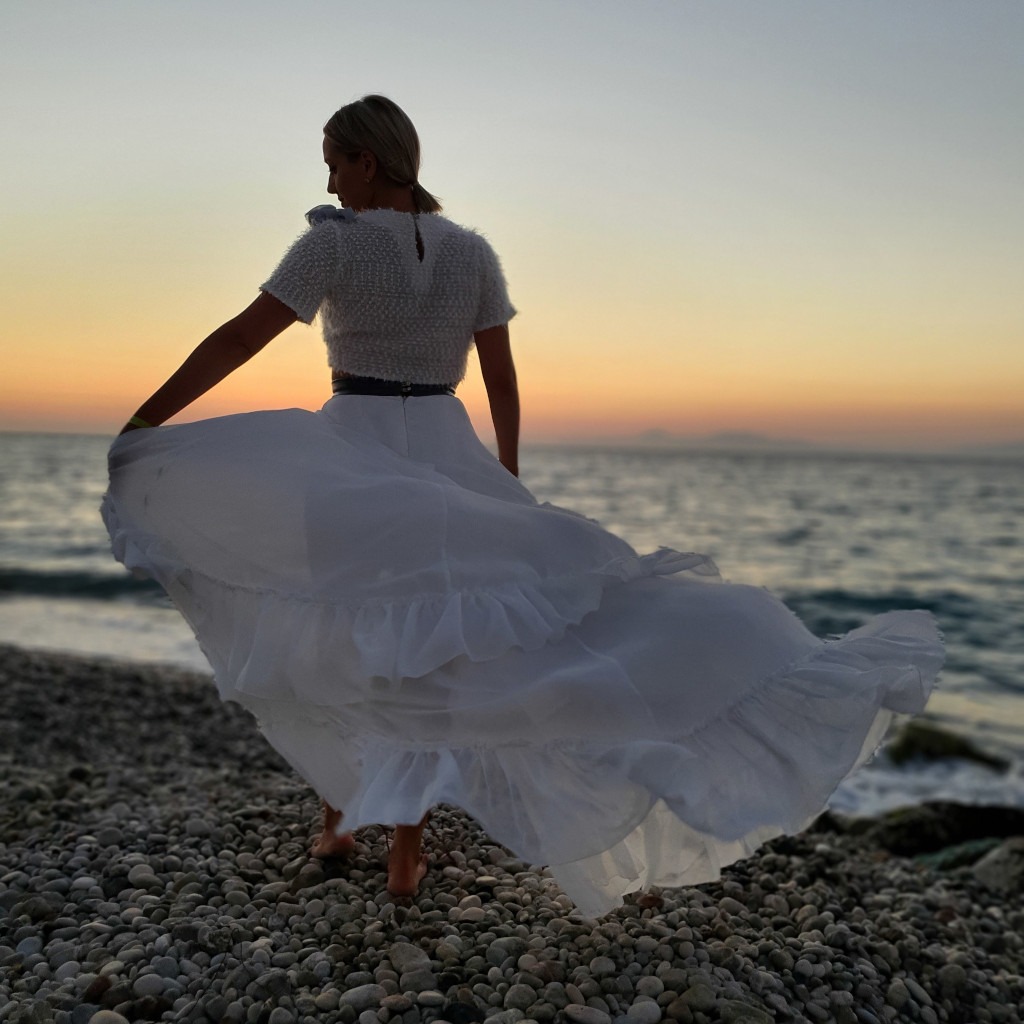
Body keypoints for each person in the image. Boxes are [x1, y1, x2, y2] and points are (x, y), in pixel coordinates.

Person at [103, 94, 944, 918]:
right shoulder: (473, 252)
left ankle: (342, 829)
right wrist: (502, 477)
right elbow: (501, 377)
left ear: (369, 158)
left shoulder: (332, 249)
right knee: (440, 653)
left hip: (354, 450)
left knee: (356, 635)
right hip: (447, 445)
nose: (328, 185)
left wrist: (150, 418)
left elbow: (242, 336)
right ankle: (400, 850)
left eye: (334, 163)